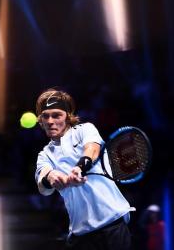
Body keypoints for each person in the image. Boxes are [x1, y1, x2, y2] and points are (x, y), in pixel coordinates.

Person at [34, 88, 135, 250]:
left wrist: (79, 168)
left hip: (113, 227)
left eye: (56, 115)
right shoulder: (44, 155)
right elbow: (43, 184)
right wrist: (53, 177)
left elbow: (92, 150)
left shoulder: (84, 130)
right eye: (45, 116)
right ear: (41, 120)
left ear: (68, 116)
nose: (50, 121)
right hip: (80, 237)